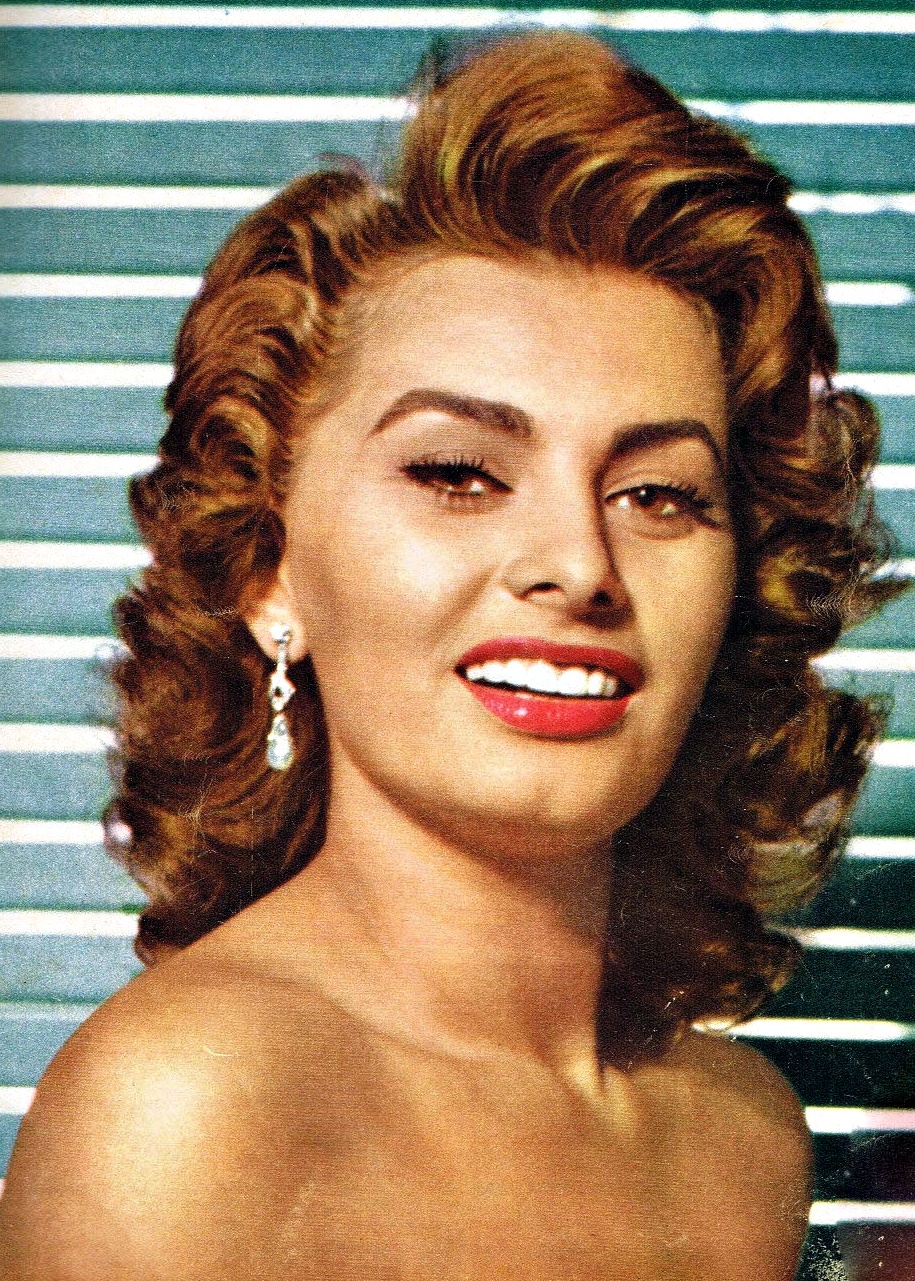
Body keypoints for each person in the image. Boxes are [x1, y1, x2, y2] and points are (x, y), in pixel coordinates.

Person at [0, 31, 904, 1281]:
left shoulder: (740, 1140)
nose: (580, 566)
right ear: (269, 570)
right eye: (458, 474)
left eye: (657, 495)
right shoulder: (190, 1108)